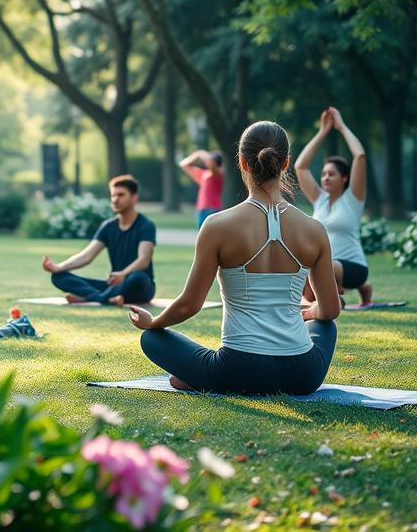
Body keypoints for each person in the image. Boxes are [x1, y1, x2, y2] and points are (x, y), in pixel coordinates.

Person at [128, 121, 340, 395]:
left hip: (239, 369)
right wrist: (310, 313)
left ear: (242, 162)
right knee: (326, 326)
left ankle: (204, 378)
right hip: (302, 374)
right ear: (286, 163)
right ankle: (206, 377)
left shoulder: (217, 225)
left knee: (152, 340)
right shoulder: (314, 229)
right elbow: (331, 310)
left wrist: (153, 323)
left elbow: (190, 305)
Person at [294, 107, 372, 305]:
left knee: (316, 269)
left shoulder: (353, 198)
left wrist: (341, 127)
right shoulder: (320, 199)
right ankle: (333, 294)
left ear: (344, 178)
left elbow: (360, 156)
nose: (325, 178)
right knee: (309, 271)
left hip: (353, 268)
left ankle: (332, 294)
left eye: (332, 174)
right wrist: (323, 132)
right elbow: (300, 166)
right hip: (325, 267)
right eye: (323, 174)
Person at [43, 175, 157, 306]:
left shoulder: (146, 225)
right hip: (114, 286)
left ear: (134, 197)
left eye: (121, 195)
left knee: (138, 277)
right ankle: (106, 299)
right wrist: (59, 267)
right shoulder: (108, 226)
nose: (115, 200)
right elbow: (86, 256)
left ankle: (90, 297)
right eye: (113, 195)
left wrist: (123, 274)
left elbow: (144, 260)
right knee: (58, 276)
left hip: (138, 286)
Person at [179, 149, 224, 227]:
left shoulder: (219, 173)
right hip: (201, 210)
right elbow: (183, 165)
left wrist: (202, 154)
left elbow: (211, 165)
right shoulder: (204, 174)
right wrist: (197, 154)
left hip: (213, 209)